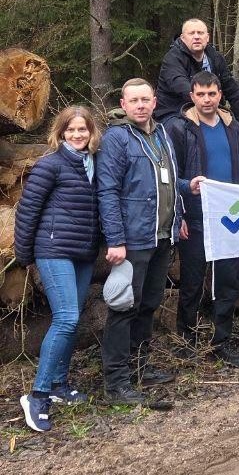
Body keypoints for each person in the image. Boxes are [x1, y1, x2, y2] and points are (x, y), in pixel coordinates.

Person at [97, 78, 184, 404]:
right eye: (133, 100)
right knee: (124, 307)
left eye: (145, 99)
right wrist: (115, 239)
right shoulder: (117, 138)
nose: (140, 105)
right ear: (123, 103)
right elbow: (107, 191)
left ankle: (139, 367)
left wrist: (186, 193)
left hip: (161, 236)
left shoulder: (161, 134)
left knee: (148, 304)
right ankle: (116, 383)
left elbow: (167, 180)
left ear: (154, 101)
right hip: (133, 239)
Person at [15, 107, 101, 432]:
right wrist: (25, 254)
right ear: (61, 132)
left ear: (91, 132)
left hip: (83, 253)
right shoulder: (50, 164)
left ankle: (58, 384)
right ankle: (37, 395)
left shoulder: (94, 164)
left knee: (72, 318)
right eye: (71, 130)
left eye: (83, 129)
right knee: (66, 318)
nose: (77, 135)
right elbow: (27, 211)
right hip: (53, 251)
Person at [166, 71, 239, 366]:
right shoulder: (179, 128)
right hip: (196, 215)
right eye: (200, 94)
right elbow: (171, 175)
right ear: (191, 96)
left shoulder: (232, 126)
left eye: (212, 94)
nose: (206, 99)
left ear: (220, 95)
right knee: (192, 282)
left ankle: (221, 342)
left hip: (230, 216)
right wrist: (179, 214)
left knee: (227, 281)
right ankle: (186, 342)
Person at [154, 18, 239, 127]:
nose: (196, 37)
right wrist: (210, 104)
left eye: (200, 33)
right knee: (185, 128)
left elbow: (232, 90)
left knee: (233, 128)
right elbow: (182, 88)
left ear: (207, 37)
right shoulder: (173, 58)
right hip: (174, 113)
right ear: (182, 38)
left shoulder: (215, 58)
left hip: (209, 110)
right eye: (191, 33)